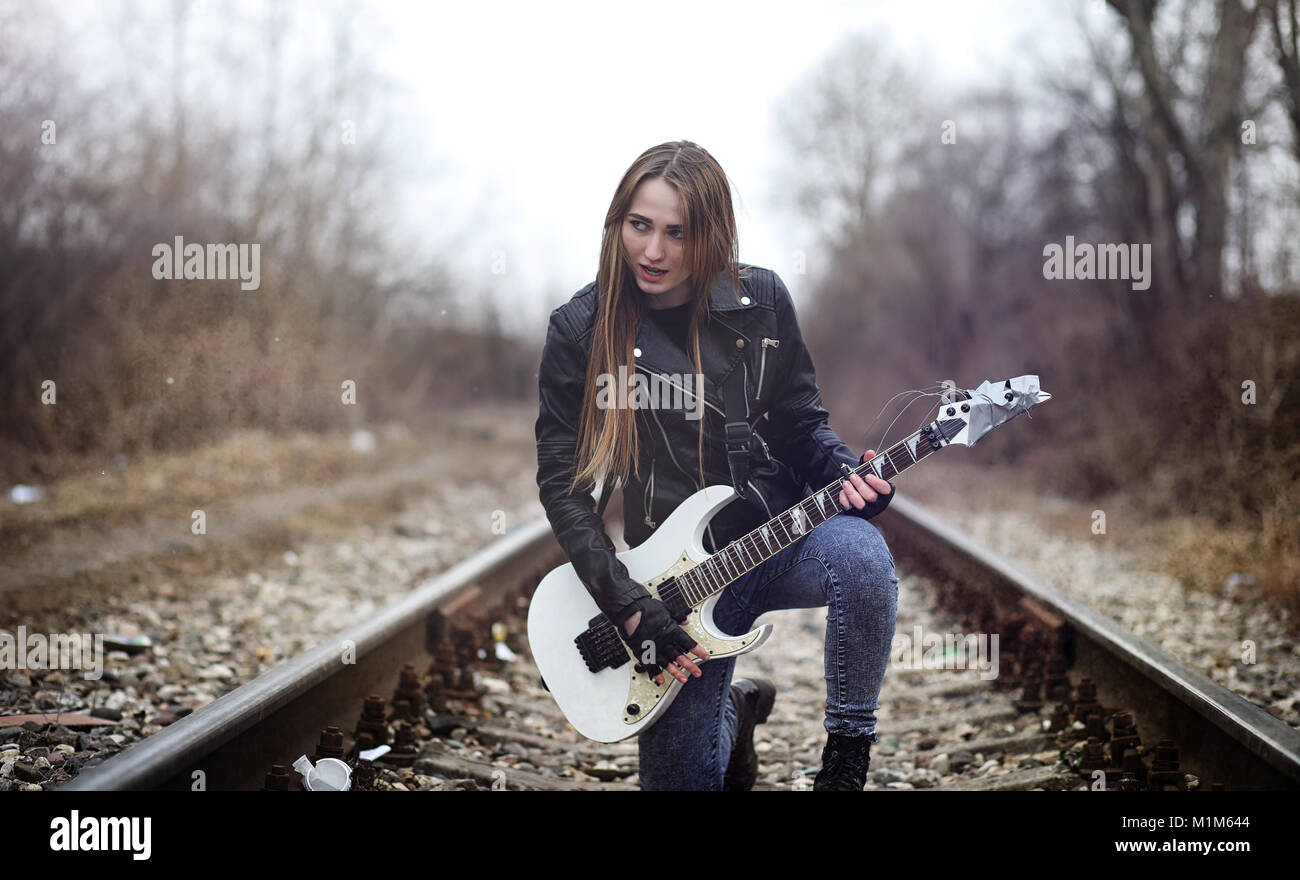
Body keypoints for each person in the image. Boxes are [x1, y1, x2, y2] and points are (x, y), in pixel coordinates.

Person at [535, 140, 899, 791]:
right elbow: (565, 489)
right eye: (639, 225)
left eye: (677, 233)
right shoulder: (580, 331)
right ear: (618, 220)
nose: (653, 251)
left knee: (864, 557)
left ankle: (846, 759)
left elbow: (802, 425)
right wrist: (628, 606)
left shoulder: (761, 302)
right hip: (676, 581)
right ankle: (734, 712)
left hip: (778, 537)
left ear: (711, 236)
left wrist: (851, 475)